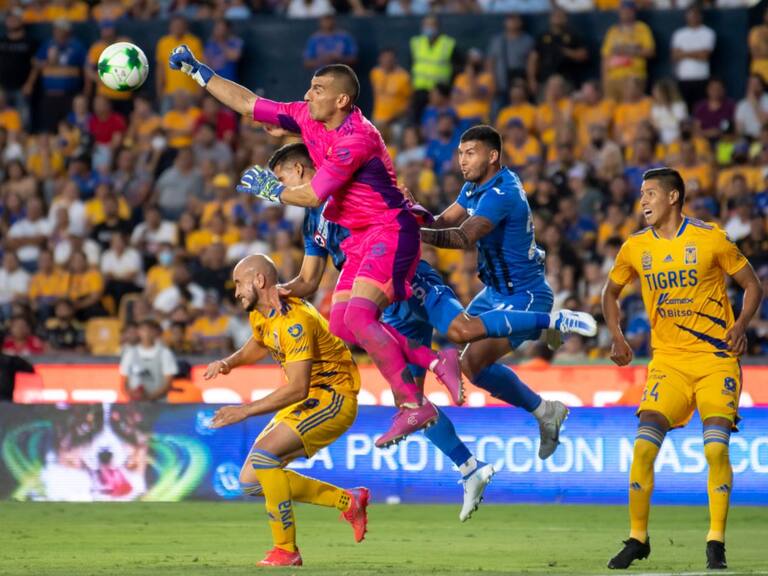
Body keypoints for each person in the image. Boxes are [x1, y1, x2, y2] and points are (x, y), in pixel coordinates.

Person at [266, 141, 598, 519]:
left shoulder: (350, 190)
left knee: (460, 330)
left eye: (281, 180)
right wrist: (278, 290)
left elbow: (406, 218)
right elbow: (309, 279)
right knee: (409, 400)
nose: (280, 191)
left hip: (408, 279)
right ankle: (471, 468)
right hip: (381, 303)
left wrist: (406, 209)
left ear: (299, 171)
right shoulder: (313, 221)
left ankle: (552, 321)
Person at [168, 45, 465, 447]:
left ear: (341, 100)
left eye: (317, 88)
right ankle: (434, 361)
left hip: (389, 230)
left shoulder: (356, 138)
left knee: (360, 318)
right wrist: (199, 73)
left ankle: (413, 404)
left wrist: (273, 190)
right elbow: (250, 103)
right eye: (309, 87)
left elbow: (313, 194)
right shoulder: (306, 117)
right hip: (360, 239)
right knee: (343, 324)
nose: (308, 95)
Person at [601, 168, 763, 570]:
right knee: (642, 447)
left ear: (673, 197)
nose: (643, 201)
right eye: (641, 194)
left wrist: (740, 326)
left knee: (714, 447)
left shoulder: (710, 238)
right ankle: (638, 538)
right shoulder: (635, 247)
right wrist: (617, 336)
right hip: (668, 363)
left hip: (714, 361)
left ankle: (715, 542)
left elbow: (752, 284)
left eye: (650, 193)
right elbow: (610, 292)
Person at [419, 126, 593, 457]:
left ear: (492, 156)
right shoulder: (473, 187)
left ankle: (550, 322)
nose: (462, 160)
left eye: (470, 153)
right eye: (460, 153)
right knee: (469, 363)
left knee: (469, 344)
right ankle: (546, 412)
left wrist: (418, 234)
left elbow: (463, 237)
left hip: (524, 296)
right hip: (495, 292)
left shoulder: (503, 193)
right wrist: (413, 215)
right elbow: (442, 221)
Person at [204, 254, 369, 567]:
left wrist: (245, 411)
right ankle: (349, 501)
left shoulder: (295, 320)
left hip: (334, 396)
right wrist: (228, 363)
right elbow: (259, 343)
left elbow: (297, 388)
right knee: (252, 480)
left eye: (240, 283)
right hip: (311, 399)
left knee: (265, 458)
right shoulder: (261, 312)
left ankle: (286, 550)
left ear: (260, 281)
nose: (236, 291)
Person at [119, 318, 178, 401]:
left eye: (150, 330)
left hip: (159, 404)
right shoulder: (130, 353)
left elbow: (168, 383)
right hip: (135, 404)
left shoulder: (165, 353)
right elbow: (124, 382)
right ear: (138, 332)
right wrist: (133, 395)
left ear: (156, 332)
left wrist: (149, 398)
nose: (146, 333)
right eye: (143, 329)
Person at [670, 6, 715, 112]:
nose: (693, 17)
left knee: (700, 109)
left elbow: (705, 56)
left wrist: (683, 53)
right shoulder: (679, 34)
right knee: (683, 110)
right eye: (690, 15)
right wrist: (697, 53)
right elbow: (674, 56)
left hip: (701, 77)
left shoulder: (708, 33)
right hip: (683, 78)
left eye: (696, 14)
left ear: (701, 16)